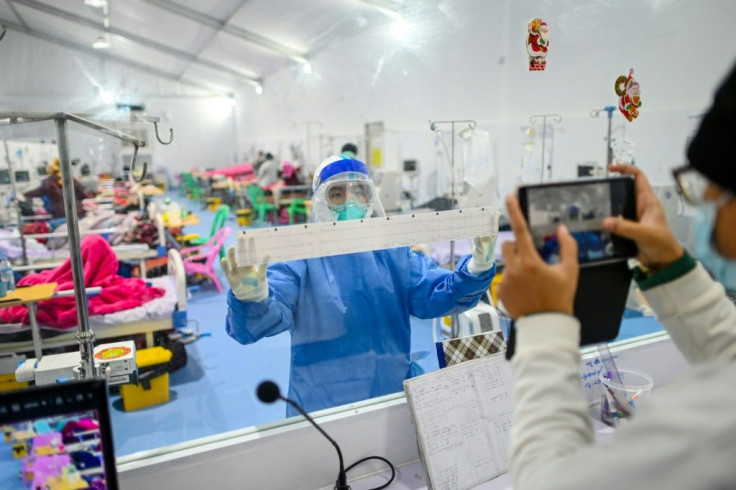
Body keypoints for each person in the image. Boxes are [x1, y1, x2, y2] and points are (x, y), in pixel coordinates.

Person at [499, 64, 736, 489]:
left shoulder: (714, 430)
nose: (708, 203)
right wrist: (670, 266)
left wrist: (544, 325)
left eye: (711, 187)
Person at [223, 155, 498, 415]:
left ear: (370, 197)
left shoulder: (393, 254)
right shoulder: (301, 260)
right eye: (338, 193)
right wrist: (253, 299)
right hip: (323, 408)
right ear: (321, 201)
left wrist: (477, 267)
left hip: (391, 396)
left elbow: (438, 294)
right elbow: (261, 321)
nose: (351, 201)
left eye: (359, 191)